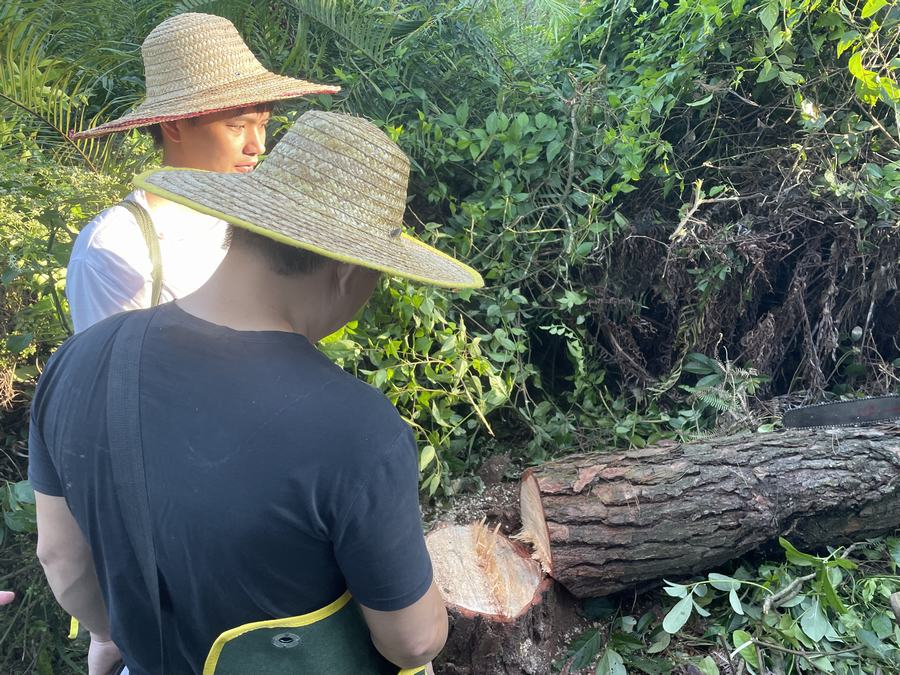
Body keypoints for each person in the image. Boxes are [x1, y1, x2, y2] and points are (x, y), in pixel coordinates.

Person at [29, 110, 483, 674]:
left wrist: (121, 637)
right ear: (350, 269)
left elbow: (62, 559)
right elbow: (412, 642)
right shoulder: (357, 428)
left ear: (241, 226)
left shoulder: (77, 361)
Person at [66, 12, 338, 332]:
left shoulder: (260, 220)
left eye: (263, 125)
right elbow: (115, 360)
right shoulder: (116, 246)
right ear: (174, 126)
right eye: (237, 126)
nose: (258, 146)